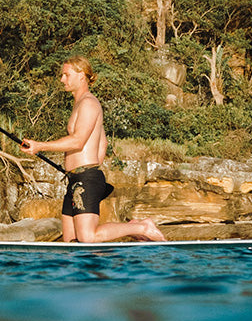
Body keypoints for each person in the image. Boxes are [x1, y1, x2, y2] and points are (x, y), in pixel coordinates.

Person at [20, 56, 166, 243]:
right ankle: (135, 228)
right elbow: (102, 142)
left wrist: (40, 146)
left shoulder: (89, 103)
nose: (62, 79)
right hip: (77, 178)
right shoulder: (80, 104)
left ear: (81, 76)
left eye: (66, 75)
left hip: (85, 179)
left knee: (87, 237)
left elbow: (78, 141)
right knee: (71, 242)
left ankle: (141, 227)